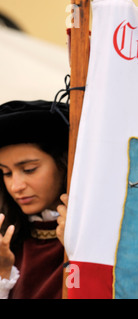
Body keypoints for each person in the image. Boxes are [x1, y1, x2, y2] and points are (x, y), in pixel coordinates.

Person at [0, 100, 69, 299]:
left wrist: (80, 251)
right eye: (6, 173)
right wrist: (3, 274)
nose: (16, 186)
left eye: (29, 169)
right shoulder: (7, 237)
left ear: (63, 163)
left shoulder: (100, 234)